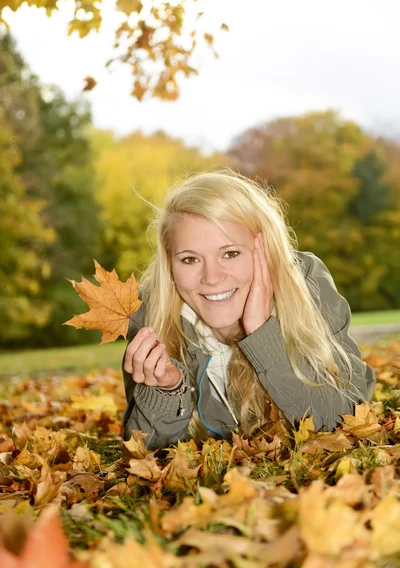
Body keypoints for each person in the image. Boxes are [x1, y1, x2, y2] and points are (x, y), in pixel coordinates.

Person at [122, 168, 375, 449]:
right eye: (190, 259)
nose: (212, 277)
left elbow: (346, 423)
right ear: (170, 264)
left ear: (264, 250)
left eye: (230, 253)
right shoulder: (152, 312)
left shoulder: (306, 284)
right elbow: (142, 450)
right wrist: (166, 391)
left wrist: (262, 332)